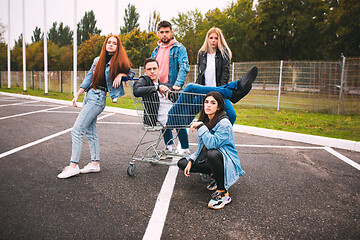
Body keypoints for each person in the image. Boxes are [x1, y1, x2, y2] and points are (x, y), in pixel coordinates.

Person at [57, 35, 134, 179]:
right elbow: (88, 78)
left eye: (114, 43)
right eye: (109, 42)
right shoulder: (97, 60)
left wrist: (121, 75)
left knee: (77, 130)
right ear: (105, 44)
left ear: (118, 47)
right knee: (90, 131)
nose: (111, 45)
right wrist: (77, 94)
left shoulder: (118, 61)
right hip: (89, 95)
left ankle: (73, 165)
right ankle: (95, 163)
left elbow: (132, 73)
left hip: (98, 98)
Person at [177, 91, 245, 209]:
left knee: (211, 153)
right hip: (211, 157)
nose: (208, 105)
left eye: (213, 103)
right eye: (206, 102)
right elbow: (201, 146)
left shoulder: (224, 123)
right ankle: (214, 175)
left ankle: (223, 193)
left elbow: (212, 144)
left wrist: (201, 127)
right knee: (182, 163)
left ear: (218, 107)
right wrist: (191, 161)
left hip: (226, 160)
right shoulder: (205, 120)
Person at [132, 58, 189, 153]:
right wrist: (157, 88)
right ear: (145, 71)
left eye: (154, 68)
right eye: (149, 69)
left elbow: (174, 98)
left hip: (170, 112)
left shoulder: (165, 85)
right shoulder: (144, 80)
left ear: (159, 69)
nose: (152, 71)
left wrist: (172, 92)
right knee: (178, 119)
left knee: (180, 112)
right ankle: (184, 149)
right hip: (157, 115)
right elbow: (137, 91)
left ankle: (171, 148)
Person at [151, 20, 190, 154]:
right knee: (163, 119)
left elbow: (184, 67)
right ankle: (168, 147)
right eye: (162, 32)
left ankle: (185, 148)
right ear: (158, 34)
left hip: (173, 89)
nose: (164, 35)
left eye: (167, 32)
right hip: (159, 89)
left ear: (171, 32)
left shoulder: (179, 48)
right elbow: (151, 69)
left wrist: (177, 85)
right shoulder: (155, 50)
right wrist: (154, 86)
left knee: (177, 118)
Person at [196, 27, 237, 125]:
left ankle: (222, 133)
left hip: (219, 91)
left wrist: (220, 91)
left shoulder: (224, 53)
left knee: (231, 115)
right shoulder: (201, 54)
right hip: (204, 91)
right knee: (187, 113)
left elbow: (225, 74)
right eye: (211, 38)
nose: (213, 40)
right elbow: (200, 74)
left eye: (216, 38)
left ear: (220, 39)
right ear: (207, 39)